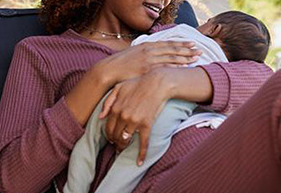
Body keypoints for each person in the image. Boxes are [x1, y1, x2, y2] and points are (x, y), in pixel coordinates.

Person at [0, 0, 276, 193]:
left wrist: (165, 83)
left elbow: (263, 80)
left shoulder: (172, 37)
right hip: (160, 179)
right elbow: (13, 181)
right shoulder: (44, 54)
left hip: (220, 150)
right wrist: (101, 76)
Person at [64, 10, 271, 193]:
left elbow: (137, 48)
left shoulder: (180, 32)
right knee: (131, 166)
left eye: (207, 20)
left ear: (214, 28)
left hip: (120, 96)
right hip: (165, 117)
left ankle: (73, 188)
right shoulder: (220, 65)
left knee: (88, 144)